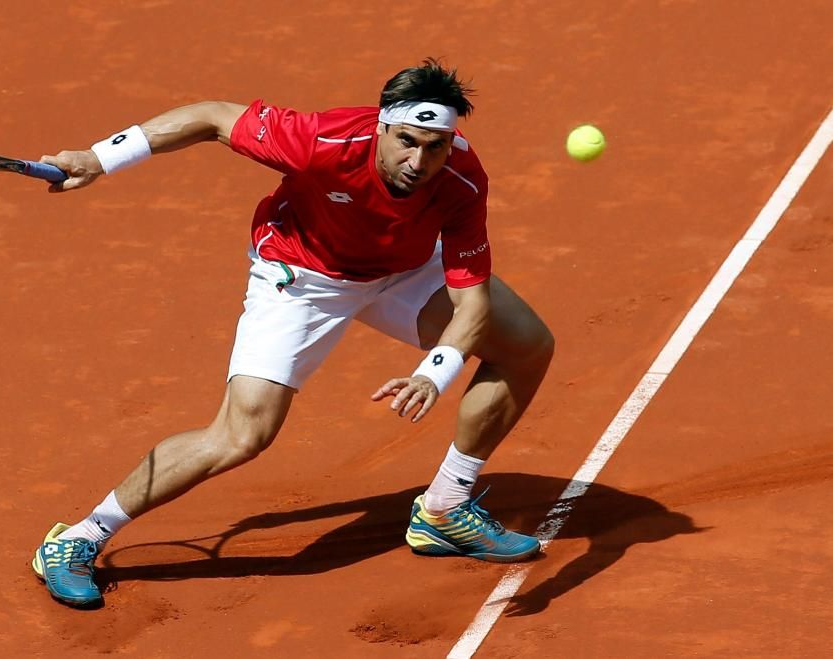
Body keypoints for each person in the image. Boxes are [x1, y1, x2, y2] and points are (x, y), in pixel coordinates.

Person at [31, 58, 555, 608]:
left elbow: (471, 301)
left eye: (435, 147)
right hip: (303, 277)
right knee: (242, 435)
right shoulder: (322, 141)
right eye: (405, 141)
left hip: (402, 270)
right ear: (381, 126)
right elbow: (211, 117)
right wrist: (99, 157)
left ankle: (445, 509)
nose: (418, 161)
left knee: (526, 347)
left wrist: (434, 372)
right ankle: (78, 539)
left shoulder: (462, 179)